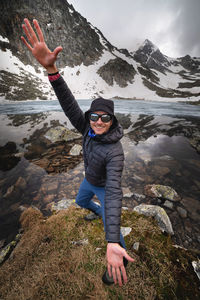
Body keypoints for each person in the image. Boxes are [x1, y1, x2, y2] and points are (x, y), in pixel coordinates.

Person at [21, 18, 134, 286]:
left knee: (112, 224)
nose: (98, 121)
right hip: (88, 180)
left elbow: (116, 192)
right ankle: (94, 211)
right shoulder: (86, 128)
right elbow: (68, 102)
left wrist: (110, 241)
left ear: (113, 121)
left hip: (105, 187)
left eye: (105, 118)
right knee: (81, 202)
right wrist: (51, 70)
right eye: (94, 116)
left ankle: (120, 253)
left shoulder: (115, 152)